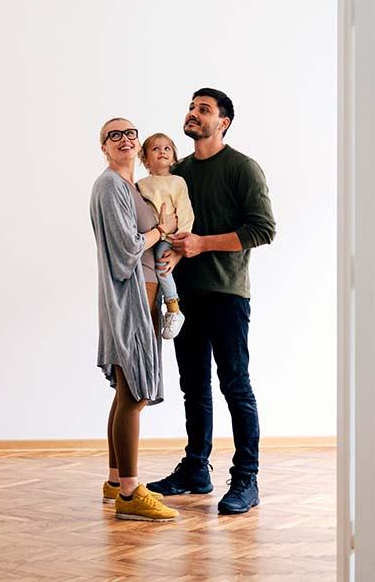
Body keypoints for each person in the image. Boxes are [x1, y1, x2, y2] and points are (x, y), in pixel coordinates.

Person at [146, 88, 277, 515]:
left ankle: (246, 479)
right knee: (193, 388)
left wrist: (202, 244)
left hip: (226, 295)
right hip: (184, 298)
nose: (193, 113)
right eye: (191, 107)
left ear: (223, 122)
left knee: (235, 386)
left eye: (204, 109)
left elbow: (262, 229)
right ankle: (196, 470)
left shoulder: (242, 168)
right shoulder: (177, 172)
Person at [89, 117, 179, 522]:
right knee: (135, 395)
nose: (123, 139)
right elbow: (126, 250)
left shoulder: (131, 188)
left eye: (130, 134)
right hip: (129, 301)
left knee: (126, 392)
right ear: (103, 146)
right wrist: (162, 231)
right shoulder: (109, 186)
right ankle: (129, 492)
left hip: (142, 300)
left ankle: (114, 481)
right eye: (114, 135)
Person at [135, 132, 194, 339]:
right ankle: (160, 307)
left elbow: (186, 211)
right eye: (155, 149)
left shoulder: (178, 182)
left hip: (169, 238)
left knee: (162, 267)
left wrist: (181, 240)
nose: (162, 151)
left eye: (167, 148)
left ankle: (174, 308)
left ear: (174, 157)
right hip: (149, 237)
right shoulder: (141, 184)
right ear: (144, 159)